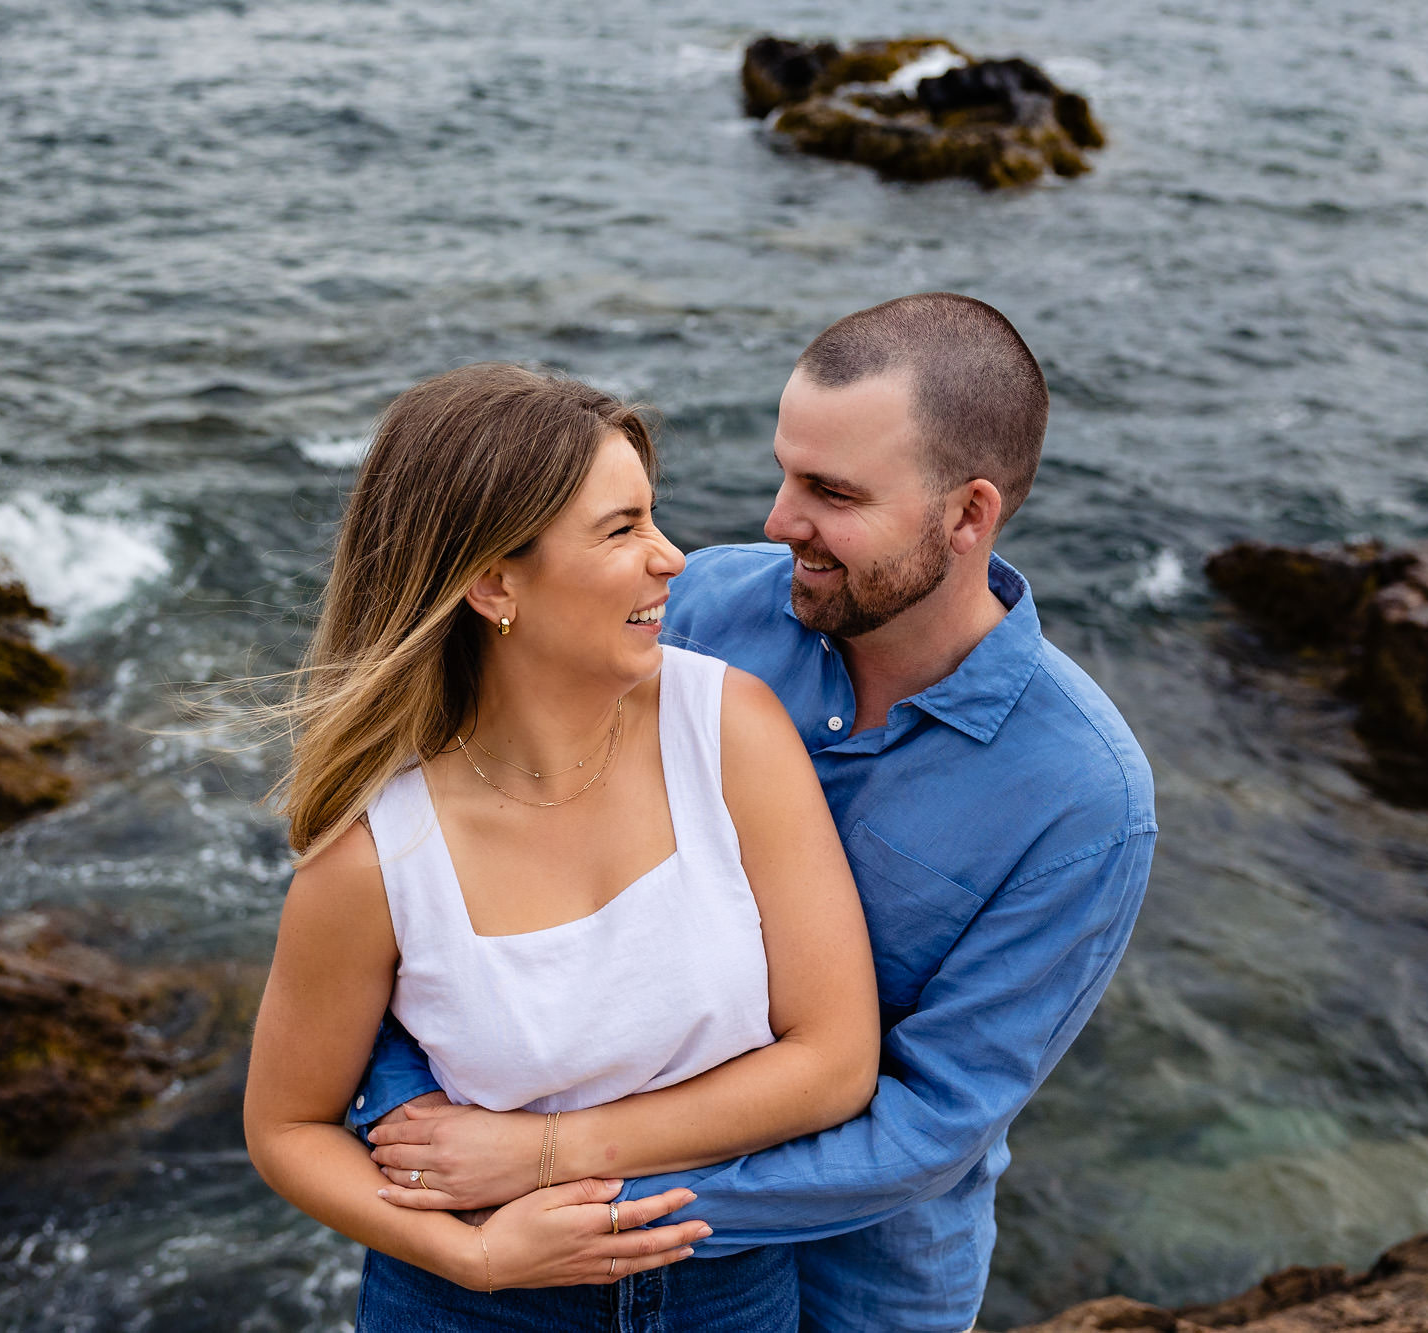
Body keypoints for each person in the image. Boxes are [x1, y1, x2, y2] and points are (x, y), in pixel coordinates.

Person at [356, 294, 1159, 1333]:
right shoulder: (699, 612)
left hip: (857, 1291)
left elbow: (928, 1125)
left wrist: (569, 1186)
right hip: (524, 1262)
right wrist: (414, 1124)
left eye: (830, 491)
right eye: (783, 470)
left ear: (966, 515)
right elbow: (436, 865)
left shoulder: (1083, 799)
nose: (777, 520)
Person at [241, 362, 882, 1330]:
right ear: (494, 581)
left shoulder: (729, 728)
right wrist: (476, 1254)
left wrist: (547, 1151)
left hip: (726, 1287)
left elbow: (834, 1061)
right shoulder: (375, 851)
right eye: (622, 529)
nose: (672, 557)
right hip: (467, 1306)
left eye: (651, 516)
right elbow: (286, 1127)